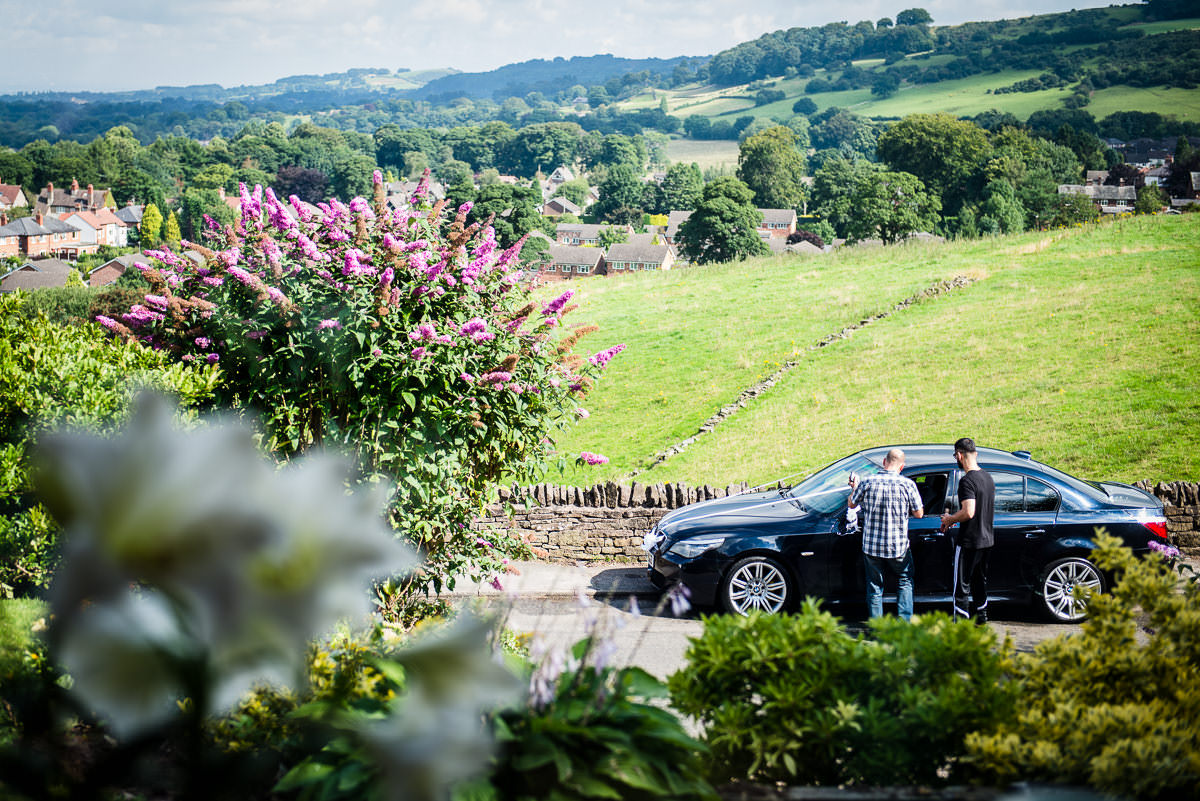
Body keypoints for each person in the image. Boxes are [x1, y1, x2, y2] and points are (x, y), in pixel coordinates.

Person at [848, 448, 924, 621]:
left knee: (874, 587)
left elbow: (852, 505)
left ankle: (877, 628)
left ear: (884, 462)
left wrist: (854, 488)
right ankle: (904, 624)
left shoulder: (867, 482)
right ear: (902, 466)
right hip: (897, 547)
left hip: (871, 546)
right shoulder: (907, 485)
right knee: (904, 581)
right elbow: (919, 514)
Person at [940, 438, 996, 624]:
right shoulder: (987, 477)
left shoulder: (967, 481)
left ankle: (961, 625)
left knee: (961, 586)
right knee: (980, 582)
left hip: (969, 541)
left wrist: (950, 519)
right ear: (975, 454)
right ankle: (982, 617)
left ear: (959, 455)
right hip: (987, 540)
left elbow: (968, 512)